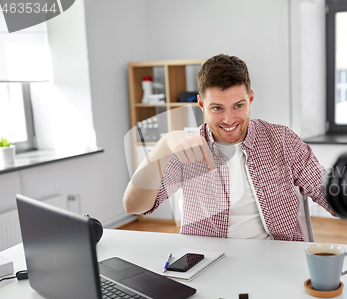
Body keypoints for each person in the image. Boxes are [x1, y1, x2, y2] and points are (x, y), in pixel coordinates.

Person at [123, 54, 334, 241]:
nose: (229, 119)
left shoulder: (282, 140)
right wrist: (164, 144)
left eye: (238, 106)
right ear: (201, 105)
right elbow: (134, 206)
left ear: (250, 99)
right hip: (209, 258)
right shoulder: (187, 149)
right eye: (217, 108)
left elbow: (325, 190)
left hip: (277, 254)